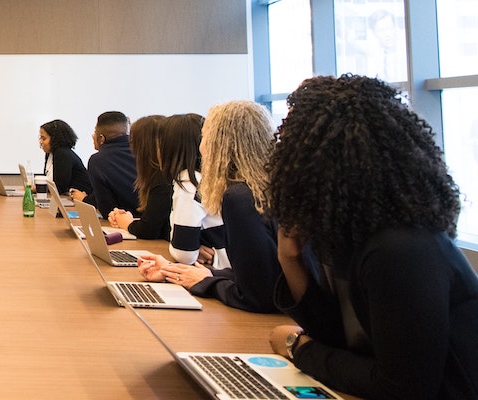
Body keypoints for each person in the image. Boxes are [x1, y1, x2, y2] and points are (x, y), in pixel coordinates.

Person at [265, 75, 478, 398]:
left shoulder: (401, 248)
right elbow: (343, 343)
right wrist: (290, 259)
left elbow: (404, 389)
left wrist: (300, 349)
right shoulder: (353, 236)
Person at [136, 103, 279, 313]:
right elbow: (263, 278)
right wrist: (178, 271)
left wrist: (206, 283)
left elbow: (257, 296)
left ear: (221, 144)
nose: (201, 147)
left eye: (204, 138)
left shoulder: (240, 198)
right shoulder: (267, 187)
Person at [107, 115, 171, 240]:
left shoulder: (163, 181)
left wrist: (127, 223)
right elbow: (155, 221)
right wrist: (128, 219)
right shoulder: (160, 176)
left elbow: (148, 230)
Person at [85, 111, 139, 216]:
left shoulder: (97, 160)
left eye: (94, 132)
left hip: (122, 223)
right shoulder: (142, 152)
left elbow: (106, 210)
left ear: (101, 138)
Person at [39, 119, 93, 202]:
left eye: (44, 138)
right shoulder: (50, 153)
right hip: (67, 198)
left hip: (81, 200)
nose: (40, 142)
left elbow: (59, 188)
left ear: (55, 139)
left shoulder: (62, 153)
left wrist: (39, 187)